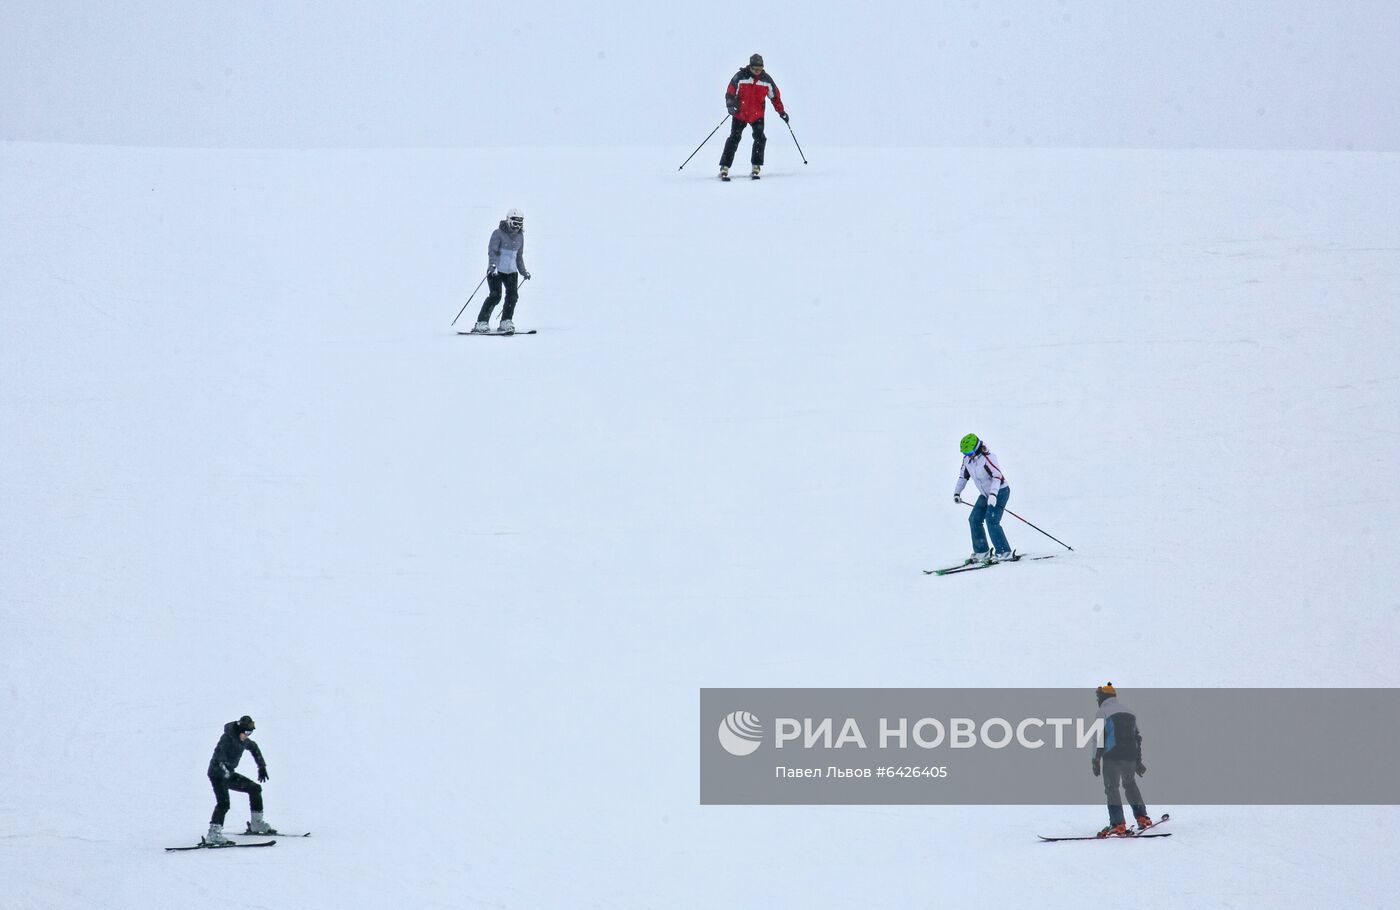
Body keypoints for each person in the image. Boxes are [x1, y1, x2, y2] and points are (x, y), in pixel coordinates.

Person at [1091, 684, 1154, 837]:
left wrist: (1095, 760)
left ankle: (1117, 823)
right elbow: (1137, 738)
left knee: (1112, 787)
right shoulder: (1130, 712)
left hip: (1112, 757)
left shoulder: (1102, 712)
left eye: (1098, 697)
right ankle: (1142, 817)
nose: (1097, 699)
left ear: (1103, 697)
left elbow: (1098, 738)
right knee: (1130, 784)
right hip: (1130, 757)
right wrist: (1138, 761)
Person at [203, 715, 275, 845]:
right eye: (247, 732)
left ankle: (256, 823)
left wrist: (262, 767)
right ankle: (213, 834)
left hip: (229, 774)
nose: (248, 735)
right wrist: (223, 768)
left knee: (255, 788)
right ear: (239, 730)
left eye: (251, 732)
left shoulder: (244, 740)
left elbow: (254, 748)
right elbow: (219, 755)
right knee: (223, 803)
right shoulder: (227, 738)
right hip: (217, 775)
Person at [719, 54, 788, 180]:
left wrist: (781, 112)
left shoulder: (766, 80)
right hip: (740, 114)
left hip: (757, 115)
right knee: (734, 138)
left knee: (760, 138)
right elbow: (730, 92)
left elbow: (775, 97)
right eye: (755, 69)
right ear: (750, 67)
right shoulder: (740, 76)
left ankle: (756, 166)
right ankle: (724, 166)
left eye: (760, 69)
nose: (757, 71)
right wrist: (730, 105)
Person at [952, 433, 1013, 563]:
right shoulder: (967, 461)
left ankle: (1004, 552)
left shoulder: (988, 458)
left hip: (1000, 492)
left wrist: (993, 494)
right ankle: (982, 552)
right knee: (974, 519)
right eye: (965, 452)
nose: (968, 454)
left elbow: (997, 476)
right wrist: (957, 493)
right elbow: (963, 477)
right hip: (985, 495)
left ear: (977, 447)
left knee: (991, 520)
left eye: (969, 451)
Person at [471, 208, 532, 335]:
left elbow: (519, 257)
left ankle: (506, 321)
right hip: (496, 271)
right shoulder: (498, 233)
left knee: (513, 296)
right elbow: (492, 251)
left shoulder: (520, 236)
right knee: (495, 296)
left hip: (511, 272)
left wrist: (523, 272)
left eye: (520, 223)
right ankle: (481, 322)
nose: (517, 226)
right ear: (508, 220)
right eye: (515, 223)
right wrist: (492, 265)